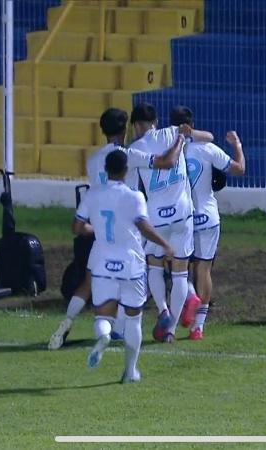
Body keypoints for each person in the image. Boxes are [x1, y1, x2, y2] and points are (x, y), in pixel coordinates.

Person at [48, 108, 185, 350]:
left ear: (102, 131)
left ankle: (68, 320)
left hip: (102, 230)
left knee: (89, 282)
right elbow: (166, 162)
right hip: (127, 231)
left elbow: (81, 219)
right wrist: (179, 141)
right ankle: (122, 330)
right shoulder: (127, 156)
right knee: (132, 283)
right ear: (124, 130)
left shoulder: (92, 161)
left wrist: (93, 228)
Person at [73, 150, 174, 383]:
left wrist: (95, 229)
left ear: (105, 170)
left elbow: (77, 228)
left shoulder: (93, 194)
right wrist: (165, 244)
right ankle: (130, 371)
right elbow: (143, 225)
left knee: (103, 316)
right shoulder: (134, 196)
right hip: (131, 264)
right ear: (126, 171)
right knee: (133, 318)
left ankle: (104, 337)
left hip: (103, 264)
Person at [130, 102, 213, 342]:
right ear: (154, 122)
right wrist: (189, 132)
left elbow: (135, 188)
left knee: (154, 265)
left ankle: (163, 311)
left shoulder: (134, 150)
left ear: (136, 126)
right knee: (179, 274)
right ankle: (171, 330)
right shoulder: (172, 132)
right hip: (182, 215)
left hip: (156, 217)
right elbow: (208, 137)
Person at [170, 105, 245, 340]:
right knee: (204, 269)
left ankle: (189, 295)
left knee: (175, 266)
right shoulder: (207, 148)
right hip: (207, 215)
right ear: (193, 123)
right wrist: (237, 145)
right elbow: (239, 169)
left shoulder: (169, 148)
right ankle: (198, 327)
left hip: (181, 215)